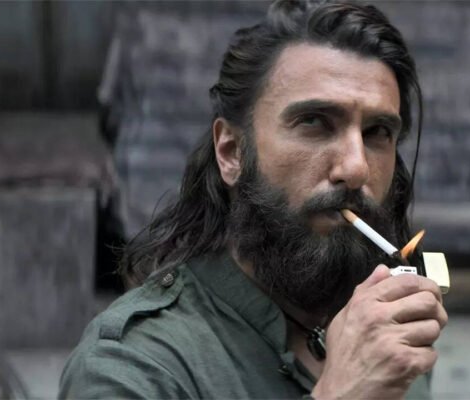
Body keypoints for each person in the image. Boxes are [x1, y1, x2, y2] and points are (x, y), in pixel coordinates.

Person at [59, 1, 448, 399]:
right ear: (231, 152)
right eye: (314, 122)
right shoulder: (132, 367)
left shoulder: (385, 324)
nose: (356, 167)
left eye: (378, 131)